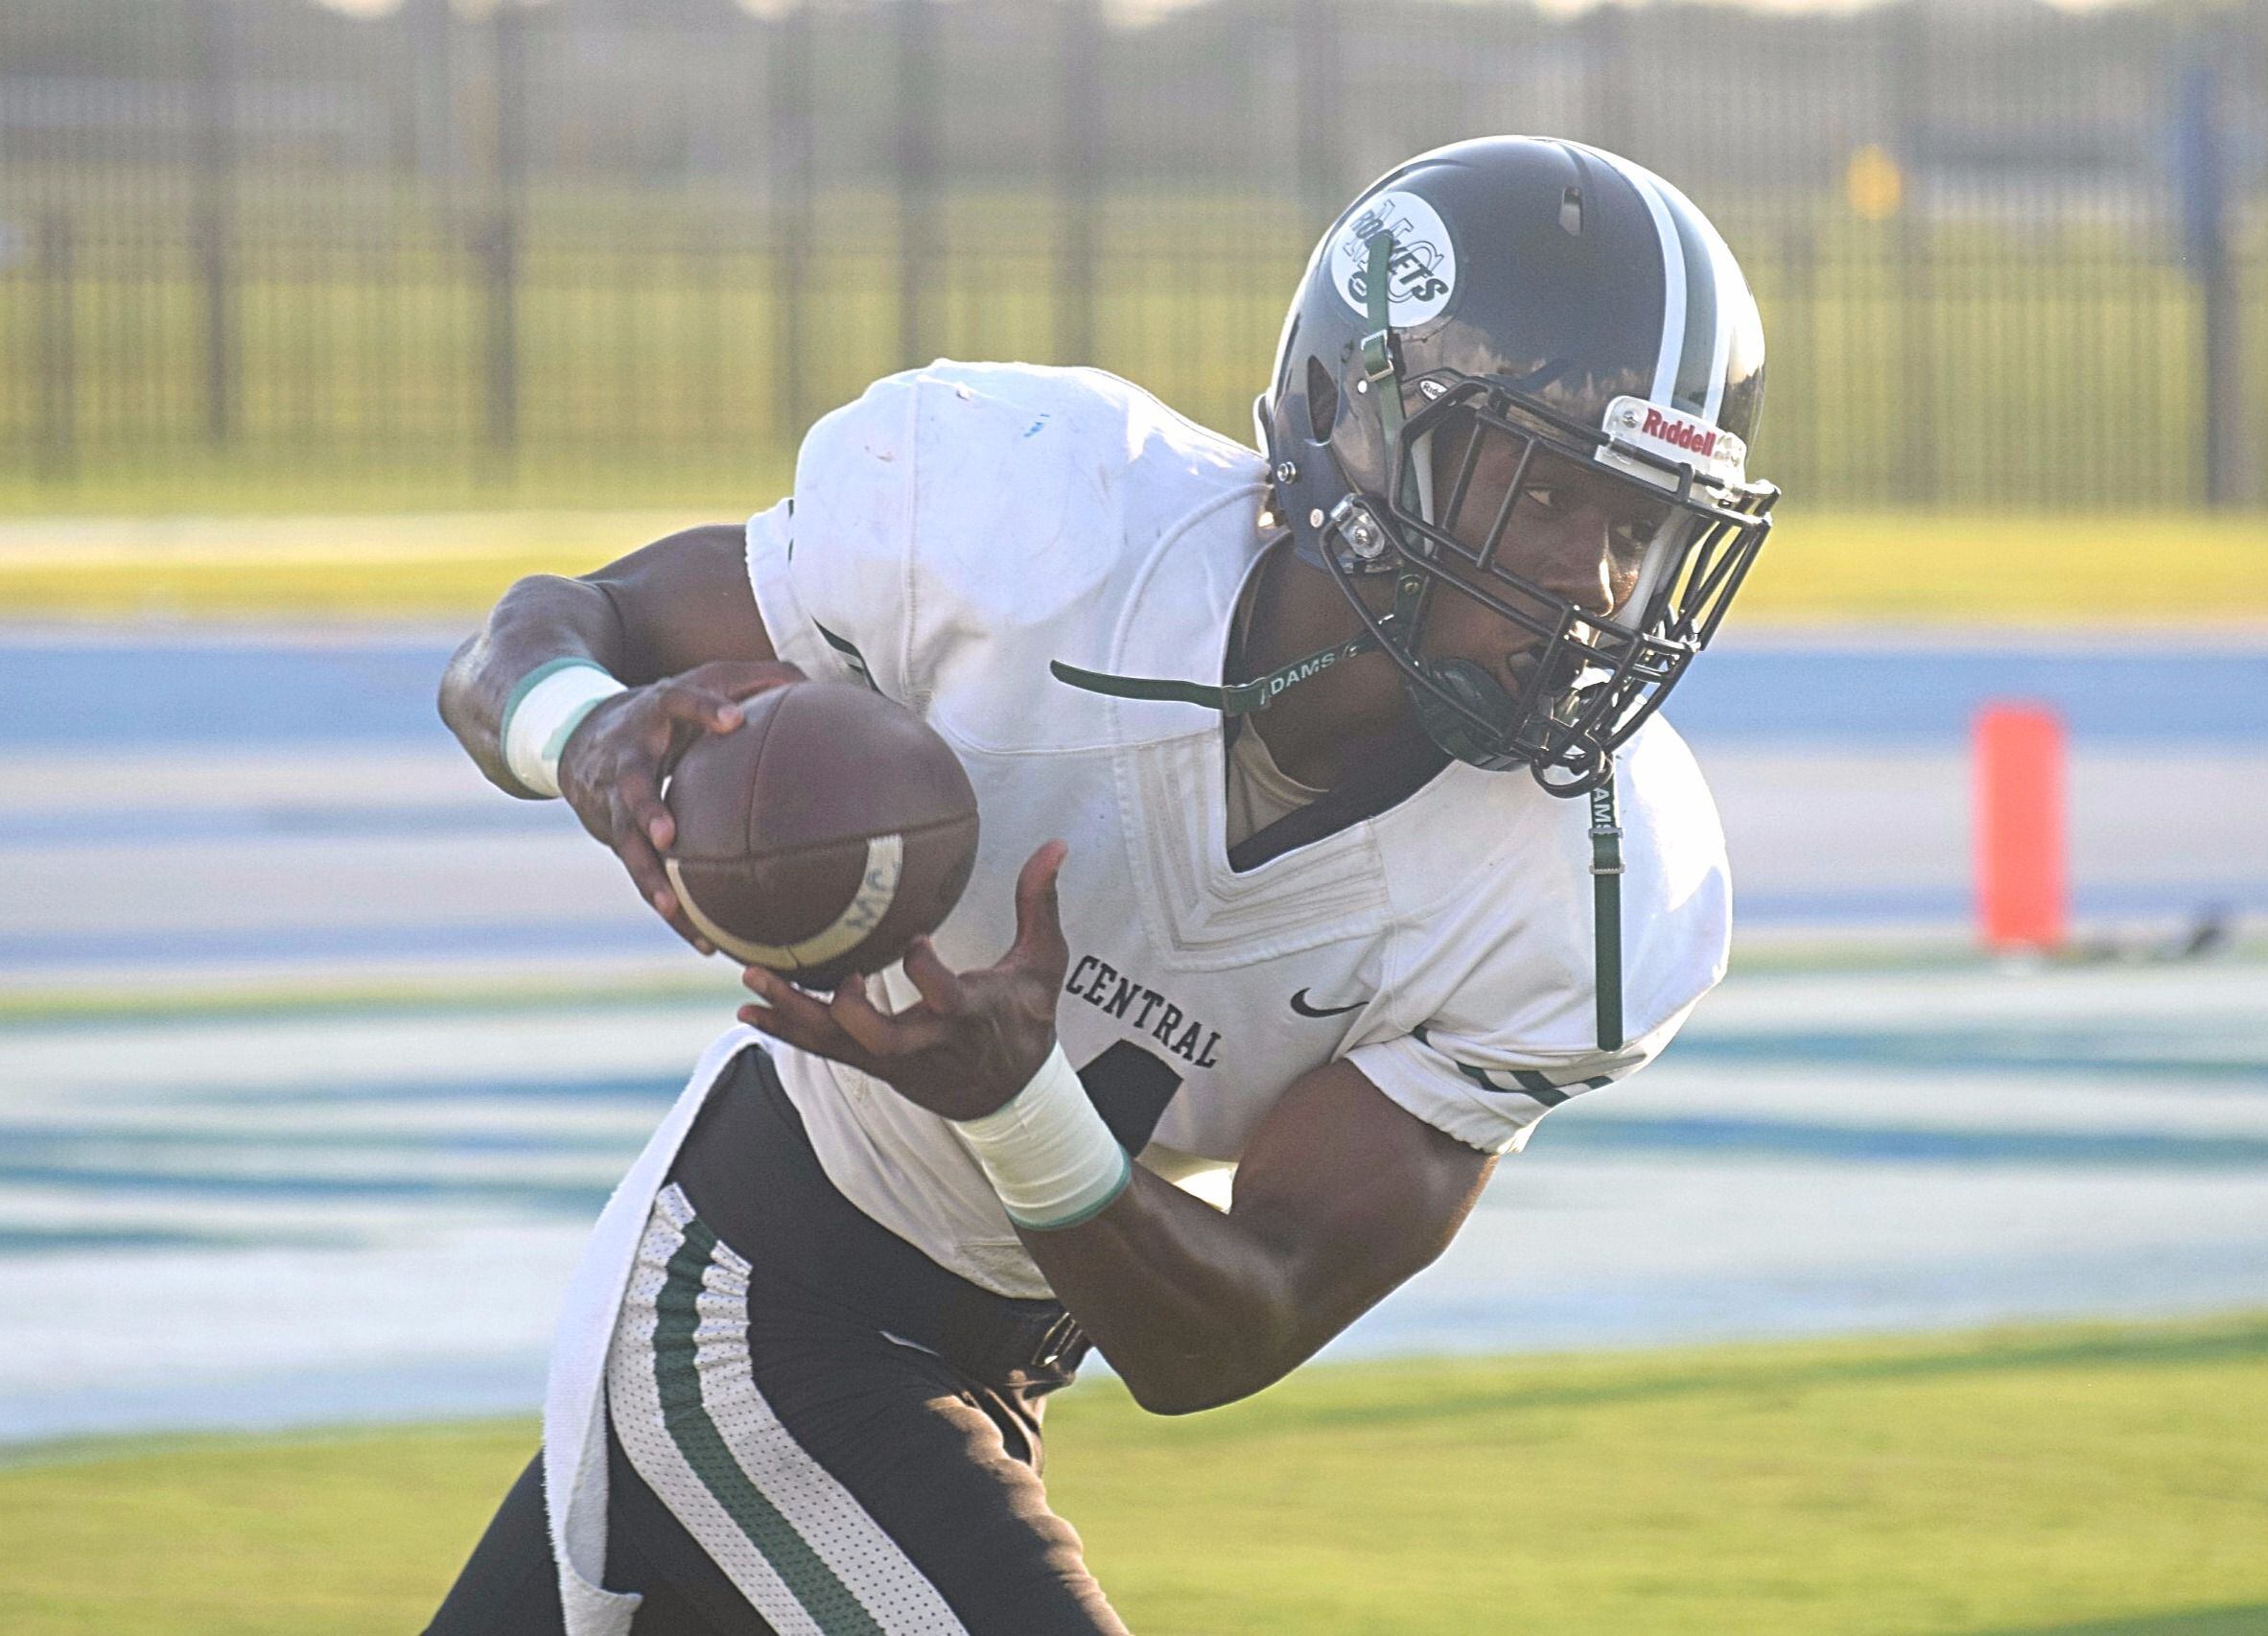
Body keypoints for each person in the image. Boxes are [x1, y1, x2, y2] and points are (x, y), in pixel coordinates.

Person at [424, 134, 1776, 1636]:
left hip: (991, 1364)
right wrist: (583, 730)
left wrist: (1015, 1103)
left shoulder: (1593, 880)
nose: (1595, 584)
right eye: (1545, 497)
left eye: (1641, 527)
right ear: (1362, 426)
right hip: (749, 1286)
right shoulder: (1039, 518)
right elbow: (559, 628)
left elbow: (1226, 1329)